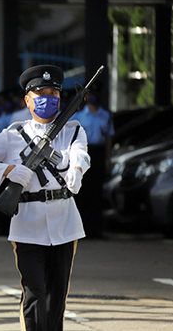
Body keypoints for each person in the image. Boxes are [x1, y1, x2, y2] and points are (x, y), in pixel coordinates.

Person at [0, 64, 90, 331]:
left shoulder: (72, 130)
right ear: (27, 100)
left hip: (64, 222)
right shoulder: (14, 135)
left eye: (53, 93)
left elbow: (80, 153)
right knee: (34, 293)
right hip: (27, 225)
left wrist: (77, 170)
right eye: (40, 94)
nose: (47, 99)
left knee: (56, 297)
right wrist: (8, 171)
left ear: (60, 98)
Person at [71, 87, 114, 238]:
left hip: (98, 154)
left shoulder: (106, 116)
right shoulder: (79, 116)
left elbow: (109, 138)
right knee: (83, 193)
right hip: (83, 153)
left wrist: (108, 160)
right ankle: (83, 230)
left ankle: (97, 229)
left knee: (97, 193)